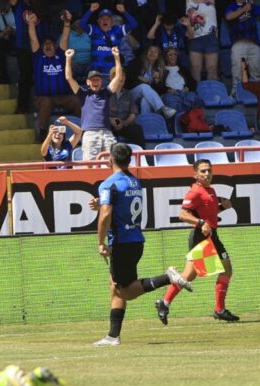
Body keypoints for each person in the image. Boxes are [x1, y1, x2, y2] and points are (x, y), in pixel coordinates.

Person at [90, 143, 192, 346]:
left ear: (110, 160)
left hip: (122, 242)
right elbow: (118, 208)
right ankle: (112, 335)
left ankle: (167, 277)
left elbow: (106, 214)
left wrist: (100, 242)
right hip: (136, 240)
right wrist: (100, 205)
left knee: (123, 291)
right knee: (115, 286)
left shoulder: (109, 184)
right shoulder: (135, 182)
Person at [155, 159, 238, 325]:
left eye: (209, 170)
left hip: (212, 236)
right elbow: (182, 215)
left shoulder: (211, 190)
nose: (207, 174)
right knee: (188, 276)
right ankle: (164, 303)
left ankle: (219, 309)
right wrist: (200, 223)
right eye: (203, 171)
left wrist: (223, 208)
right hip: (201, 237)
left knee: (226, 269)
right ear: (195, 175)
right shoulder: (194, 192)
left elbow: (209, 214)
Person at [28, 10, 81, 142]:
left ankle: (84, 129)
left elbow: (65, 37)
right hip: (43, 97)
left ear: (55, 46)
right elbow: (33, 38)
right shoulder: (38, 56)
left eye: (50, 43)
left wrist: (67, 23)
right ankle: (42, 132)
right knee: (46, 102)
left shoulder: (61, 55)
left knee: (77, 100)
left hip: (63, 96)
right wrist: (31, 23)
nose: (47, 45)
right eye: (45, 44)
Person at [64, 45, 122, 161]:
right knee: (90, 165)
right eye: (93, 80)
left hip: (107, 133)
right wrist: (68, 59)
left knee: (114, 162)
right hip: (90, 133)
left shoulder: (106, 92)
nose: (95, 82)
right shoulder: (83, 94)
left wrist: (116, 57)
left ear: (101, 81)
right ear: (87, 82)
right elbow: (69, 78)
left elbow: (118, 77)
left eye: (98, 79)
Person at [79, 3, 138, 75]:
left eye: (108, 19)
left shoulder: (117, 31)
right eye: (102, 18)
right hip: (96, 74)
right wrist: (91, 10)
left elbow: (134, 24)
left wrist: (124, 11)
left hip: (113, 73)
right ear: (98, 21)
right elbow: (82, 24)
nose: (105, 20)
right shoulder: (94, 30)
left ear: (112, 21)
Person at [125, 45, 177, 118]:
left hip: (145, 96)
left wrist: (157, 81)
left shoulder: (160, 69)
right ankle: (162, 108)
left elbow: (158, 90)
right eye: (150, 51)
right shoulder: (137, 62)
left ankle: (146, 124)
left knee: (145, 101)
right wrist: (138, 77)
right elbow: (127, 74)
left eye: (155, 52)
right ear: (146, 52)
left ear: (158, 56)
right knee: (144, 86)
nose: (152, 53)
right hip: (132, 94)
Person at [106, 66, 145, 148]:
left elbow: (133, 114)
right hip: (108, 126)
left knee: (137, 129)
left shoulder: (128, 94)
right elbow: (99, 113)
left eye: (123, 75)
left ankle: (141, 156)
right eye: (118, 75)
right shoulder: (104, 93)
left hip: (124, 125)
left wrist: (124, 123)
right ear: (111, 78)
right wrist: (111, 120)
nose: (121, 77)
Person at [186, 0, 218, 81]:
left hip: (210, 35)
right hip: (194, 36)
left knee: (212, 68)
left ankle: (212, 92)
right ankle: (196, 91)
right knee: (195, 67)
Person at [0, 0, 15, 84]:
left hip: (18, 39)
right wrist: (5, 32)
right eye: (1, 4)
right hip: (6, 40)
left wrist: (12, 31)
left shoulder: (16, 12)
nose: (3, 6)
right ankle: (3, 75)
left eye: (5, 3)